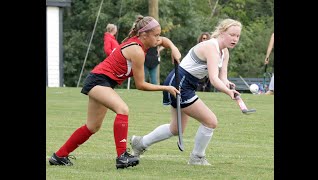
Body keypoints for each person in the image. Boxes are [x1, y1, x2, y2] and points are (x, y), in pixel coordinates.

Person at [48, 15, 181, 169]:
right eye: (156, 35)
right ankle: (122, 156)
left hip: (102, 81)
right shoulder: (137, 51)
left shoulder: (144, 42)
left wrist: (173, 48)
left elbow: (163, 40)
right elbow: (141, 85)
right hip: (98, 81)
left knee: (92, 127)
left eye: (158, 35)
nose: (158, 39)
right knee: (122, 109)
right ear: (144, 35)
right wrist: (166, 87)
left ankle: (59, 156)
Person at [130, 18, 242, 165]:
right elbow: (214, 80)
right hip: (180, 82)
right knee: (210, 121)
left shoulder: (224, 52)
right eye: (232, 34)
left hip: (185, 83)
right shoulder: (211, 47)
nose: (235, 39)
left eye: (237, 36)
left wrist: (229, 86)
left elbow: (223, 78)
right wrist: (228, 93)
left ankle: (140, 143)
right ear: (221, 32)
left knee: (176, 128)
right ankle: (197, 157)